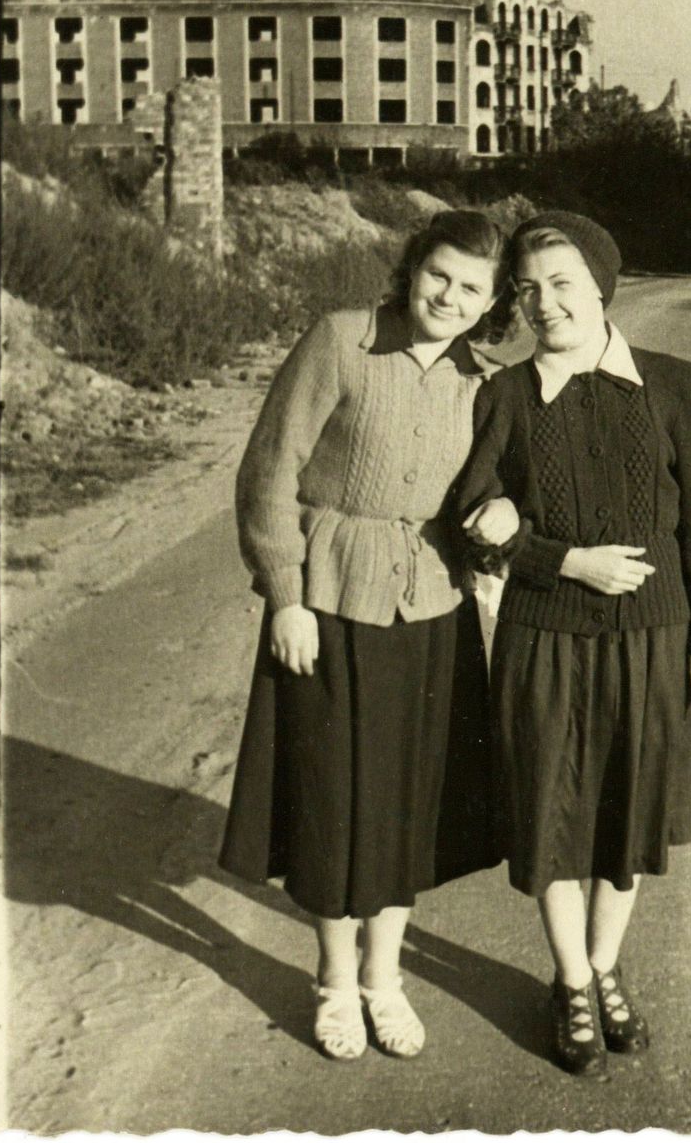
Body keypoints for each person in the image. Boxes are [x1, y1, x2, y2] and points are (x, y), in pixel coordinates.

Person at [219, 211, 517, 1063]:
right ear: (411, 268)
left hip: (433, 610)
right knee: (331, 799)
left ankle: (384, 980)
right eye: (438, 275)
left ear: (492, 304)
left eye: (471, 288)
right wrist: (286, 596)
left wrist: (499, 524)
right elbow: (269, 471)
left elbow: (491, 492)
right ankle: (334, 983)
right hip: (330, 604)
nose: (449, 297)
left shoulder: (484, 380)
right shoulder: (340, 341)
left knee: (406, 805)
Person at [459, 210, 691, 1080]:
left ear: (602, 286)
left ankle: (606, 968)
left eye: (562, 284)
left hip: (654, 639)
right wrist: (560, 560)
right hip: (543, 639)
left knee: (628, 813)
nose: (545, 304)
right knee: (550, 814)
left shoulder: (672, 383)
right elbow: (470, 518)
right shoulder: (505, 396)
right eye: (528, 290)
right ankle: (572, 982)